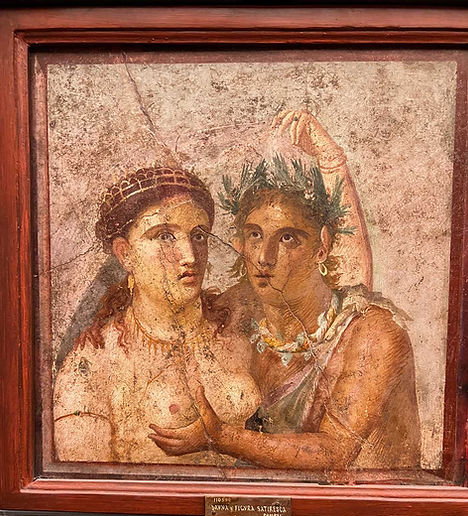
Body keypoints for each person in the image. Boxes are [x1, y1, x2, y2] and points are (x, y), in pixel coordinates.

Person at [148, 111, 421, 471]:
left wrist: (221, 436)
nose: (265, 257)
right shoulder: (241, 311)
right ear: (239, 243)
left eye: (288, 238)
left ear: (322, 247)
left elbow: (336, 450)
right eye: (255, 235)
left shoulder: (375, 333)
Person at [53, 166, 260, 465]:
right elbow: (88, 486)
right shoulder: (91, 365)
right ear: (125, 254)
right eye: (164, 236)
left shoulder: (240, 329)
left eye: (198, 235)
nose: (189, 256)